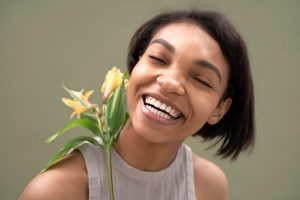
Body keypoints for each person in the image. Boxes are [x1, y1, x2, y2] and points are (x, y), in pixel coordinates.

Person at [19, 9, 254, 200]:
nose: (170, 82)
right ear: (134, 68)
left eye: (201, 79)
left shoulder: (210, 186)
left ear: (219, 109)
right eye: (158, 58)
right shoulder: (55, 190)